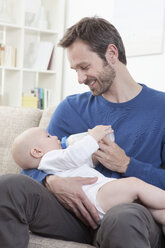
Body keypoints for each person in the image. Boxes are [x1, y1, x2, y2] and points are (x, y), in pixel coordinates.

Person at [0, 16, 165, 248]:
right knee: (7, 186)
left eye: (84, 67)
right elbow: (30, 163)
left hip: (127, 215)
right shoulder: (71, 108)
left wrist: (127, 165)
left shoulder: (161, 109)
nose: (79, 78)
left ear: (112, 54)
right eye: (75, 69)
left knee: (124, 218)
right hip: (72, 219)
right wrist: (51, 180)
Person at [12, 126, 165, 225]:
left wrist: (95, 156)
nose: (55, 137)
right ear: (37, 152)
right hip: (97, 196)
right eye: (48, 137)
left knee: (146, 206)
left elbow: (82, 162)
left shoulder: (58, 163)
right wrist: (93, 137)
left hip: (98, 202)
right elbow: (73, 155)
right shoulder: (49, 159)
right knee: (134, 184)